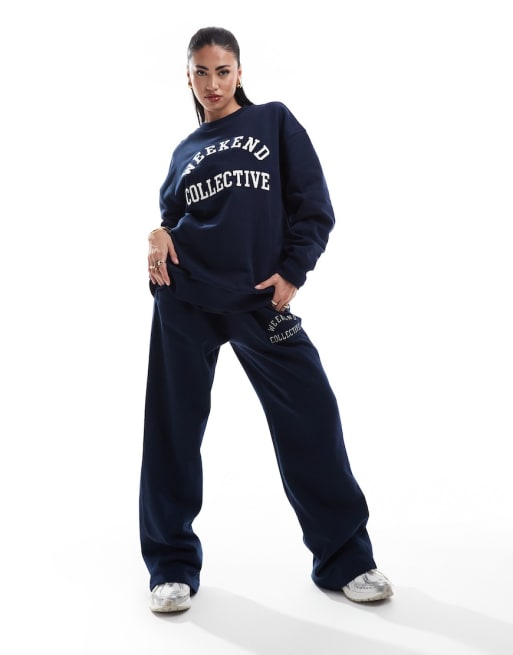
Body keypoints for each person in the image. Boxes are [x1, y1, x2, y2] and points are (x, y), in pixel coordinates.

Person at [139, 26, 393, 613]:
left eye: (223, 71)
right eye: (201, 72)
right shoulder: (184, 151)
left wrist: (293, 271)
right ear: (188, 78)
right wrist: (157, 233)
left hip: (258, 299)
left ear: (240, 73)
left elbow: (314, 205)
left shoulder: (273, 122)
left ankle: (345, 560)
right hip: (185, 298)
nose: (213, 83)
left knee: (311, 415)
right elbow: (172, 221)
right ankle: (170, 567)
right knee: (172, 431)